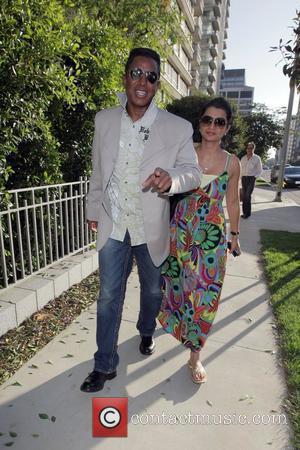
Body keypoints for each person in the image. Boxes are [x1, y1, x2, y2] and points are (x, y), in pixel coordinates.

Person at [80, 47, 202, 393]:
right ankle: (104, 364)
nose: (142, 81)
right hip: (114, 225)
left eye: (151, 76)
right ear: (125, 76)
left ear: (157, 84)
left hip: (151, 229)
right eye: (137, 72)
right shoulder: (103, 120)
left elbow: (192, 171)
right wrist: (92, 210)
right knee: (107, 298)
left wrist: (172, 180)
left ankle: (146, 329)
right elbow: (99, 171)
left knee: (151, 290)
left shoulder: (176, 127)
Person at [158, 97, 241, 384]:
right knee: (178, 288)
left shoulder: (232, 163)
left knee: (205, 297)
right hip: (180, 233)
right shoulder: (185, 153)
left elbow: (232, 203)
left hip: (211, 242)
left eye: (219, 122)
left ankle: (195, 356)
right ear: (200, 122)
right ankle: (174, 325)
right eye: (207, 119)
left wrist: (234, 236)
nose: (212, 126)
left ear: (226, 128)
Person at [240, 142, 262, 218]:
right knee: (244, 196)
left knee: (247, 195)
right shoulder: (243, 158)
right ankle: (244, 213)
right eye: (248, 148)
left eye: (251, 148)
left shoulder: (257, 158)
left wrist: (254, 177)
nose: (249, 149)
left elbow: (260, 170)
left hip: (251, 178)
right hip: (244, 178)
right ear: (246, 149)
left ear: (253, 149)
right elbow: (240, 169)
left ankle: (247, 214)